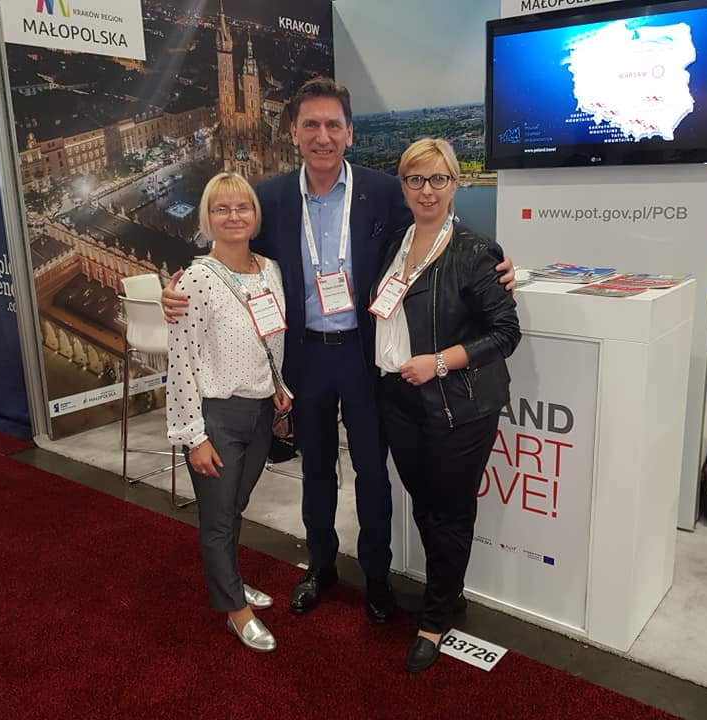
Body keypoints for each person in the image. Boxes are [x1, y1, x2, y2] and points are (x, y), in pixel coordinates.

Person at [162, 77, 516, 623]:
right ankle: (321, 565)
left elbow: (436, 231)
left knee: (373, 472)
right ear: (294, 132)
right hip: (305, 357)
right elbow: (232, 250)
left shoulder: (383, 191)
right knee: (317, 469)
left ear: (349, 132)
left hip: (365, 355)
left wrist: (499, 266)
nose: (322, 136)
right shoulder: (271, 198)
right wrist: (176, 289)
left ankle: (376, 575)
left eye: (333, 125)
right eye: (311, 125)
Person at [372, 138, 520, 672]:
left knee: (450, 511)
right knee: (425, 504)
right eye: (416, 179)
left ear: (456, 184)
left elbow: (506, 333)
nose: (427, 190)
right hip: (400, 398)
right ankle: (447, 590)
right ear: (403, 186)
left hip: (458, 405)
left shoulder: (476, 252)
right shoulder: (394, 242)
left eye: (439, 179)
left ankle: (434, 620)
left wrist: (439, 362)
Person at [166, 172, 291, 652]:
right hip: (215, 416)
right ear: (207, 218)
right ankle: (234, 610)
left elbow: (271, 337)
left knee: (235, 506)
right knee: (218, 519)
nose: (234, 216)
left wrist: (279, 386)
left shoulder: (270, 269)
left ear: (256, 216)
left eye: (242, 207)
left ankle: (232, 580)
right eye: (222, 209)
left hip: (259, 412)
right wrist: (193, 436)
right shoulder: (195, 280)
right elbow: (180, 361)